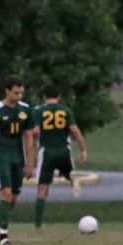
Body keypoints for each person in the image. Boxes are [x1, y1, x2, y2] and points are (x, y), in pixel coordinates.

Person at [0, 77, 35, 245]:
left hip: (18, 157)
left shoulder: (25, 110)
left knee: (13, 199)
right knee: (6, 194)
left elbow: (28, 137)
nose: (19, 96)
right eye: (15, 92)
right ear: (7, 91)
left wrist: (30, 162)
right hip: (1, 155)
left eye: (21, 92)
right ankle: (3, 236)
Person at [32, 84, 88, 228]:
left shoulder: (39, 111)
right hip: (64, 150)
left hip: (47, 152)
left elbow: (36, 131)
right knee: (67, 172)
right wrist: (83, 150)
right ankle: (71, 178)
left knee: (42, 188)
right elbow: (75, 130)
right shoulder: (65, 110)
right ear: (59, 97)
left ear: (44, 96)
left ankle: (38, 223)